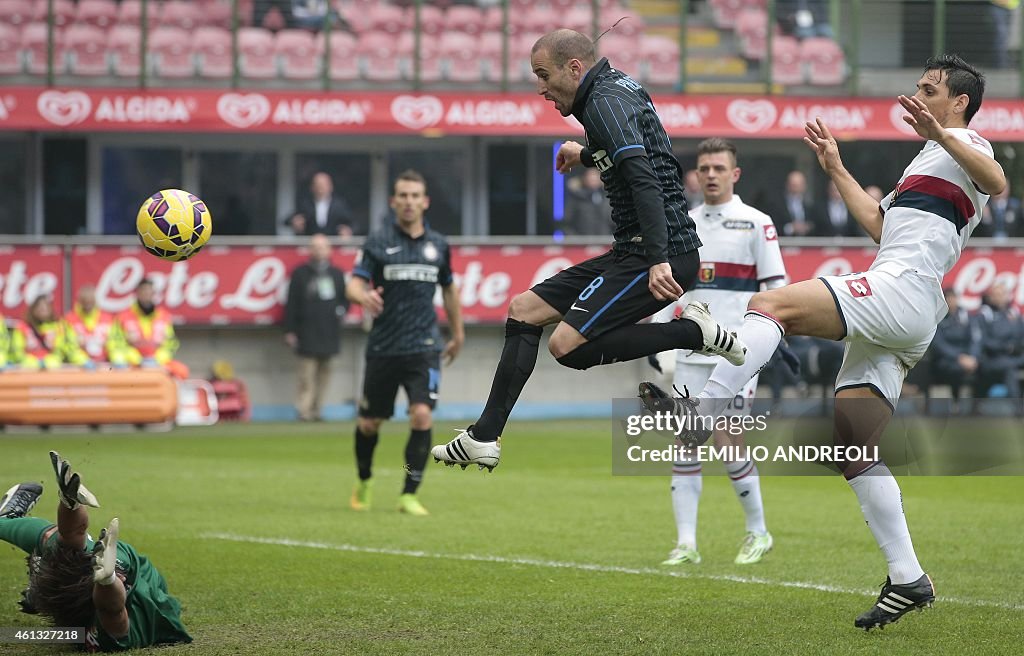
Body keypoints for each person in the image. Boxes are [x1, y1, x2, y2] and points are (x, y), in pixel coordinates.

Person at [641, 54, 1004, 629]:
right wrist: (835, 166)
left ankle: (702, 412)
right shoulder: (928, 160)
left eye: (929, 89)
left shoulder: (969, 143)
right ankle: (908, 578)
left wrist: (943, 134)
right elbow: (880, 226)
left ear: (958, 102)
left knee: (770, 304)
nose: (918, 95)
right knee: (851, 447)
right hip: (906, 304)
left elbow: (997, 181)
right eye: (917, 85)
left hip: (901, 289)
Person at [429, 28, 747, 472]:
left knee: (565, 346)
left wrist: (657, 258)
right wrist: (586, 153)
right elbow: (639, 149)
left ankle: (691, 334)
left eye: (544, 75)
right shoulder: (615, 89)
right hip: (633, 251)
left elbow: (646, 180)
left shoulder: (602, 103)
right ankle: (485, 436)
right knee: (524, 309)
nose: (540, 88)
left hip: (659, 253)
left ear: (574, 68)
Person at [651, 138, 787, 567]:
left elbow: (775, 289)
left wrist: (773, 340)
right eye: (704, 167)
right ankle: (686, 544)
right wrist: (659, 337)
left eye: (718, 168)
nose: (710, 174)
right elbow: (671, 291)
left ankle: (758, 532)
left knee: (729, 441)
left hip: (737, 355)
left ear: (735, 174)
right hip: (691, 353)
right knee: (687, 442)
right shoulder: (684, 224)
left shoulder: (756, 223)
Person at [345, 170, 464, 516]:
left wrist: (458, 333)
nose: (409, 201)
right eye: (403, 195)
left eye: (415, 195)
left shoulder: (438, 245)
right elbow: (352, 284)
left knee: (422, 415)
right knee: (369, 423)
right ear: (393, 202)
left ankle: (409, 492)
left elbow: (449, 290)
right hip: (383, 347)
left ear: (425, 201)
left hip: (424, 346)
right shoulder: (377, 243)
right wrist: (363, 297)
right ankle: (364, 480)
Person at [0, 452, 192, 651]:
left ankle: (6, 519)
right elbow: (113, 610)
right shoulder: (114, 629)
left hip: (79, 589)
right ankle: (39, 579)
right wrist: (107, 579)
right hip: (139, 577)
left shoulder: (79, 632)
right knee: (67, 544)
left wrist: (69, 504)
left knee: (58, 543)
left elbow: (73, 534)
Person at [284, 233, 349, 422]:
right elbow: (291, 303)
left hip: (329, 331)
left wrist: (341, 311)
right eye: (315, 247)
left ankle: (318, 410)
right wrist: (289, 330)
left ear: (329, 250)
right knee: (306, 375)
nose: (319, 250)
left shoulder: (337, 274)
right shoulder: (300, 273)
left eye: (323, 247)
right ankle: (304, 411)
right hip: (306, 331)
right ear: (310, 250)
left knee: (325, 374)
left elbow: (345, 300)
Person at [113, 279, 181, 373]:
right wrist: (137, 360)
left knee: (181, 371)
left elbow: (171, 344)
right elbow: (117, 343)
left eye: (149, 292)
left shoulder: (164, 316)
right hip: (132, 364)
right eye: (143, 292)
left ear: (153, 294)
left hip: (158, 364)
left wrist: (158, 359)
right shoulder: (123, 316)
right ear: (137, 293)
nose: (146, 295)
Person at [929, 287, 981, 408]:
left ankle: (977, 405)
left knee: (985, 366)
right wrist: (959, 357)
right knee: (956, 369)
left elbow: (976, 339)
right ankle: (956, 404)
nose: (952, 301)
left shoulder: (966, 317)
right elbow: (938, 344)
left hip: (968, 358)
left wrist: (973, 357)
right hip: (946, 360)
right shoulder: (938, 318)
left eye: (954, 298)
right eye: (949, 298)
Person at [973, 281, 1024, 401]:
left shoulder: (1014, 313)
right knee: (1009, 369)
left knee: (1011, 365)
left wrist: (1016, 347)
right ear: (991, 297)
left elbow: (1020, 336)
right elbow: (984, 341)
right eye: (996, 294)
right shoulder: (985, 314)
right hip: (992, 359)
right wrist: (1006, 347)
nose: (999, 297)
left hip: (1015, 357)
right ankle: (1018, 410)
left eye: (1002, 294)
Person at [10, 295, 90, 370]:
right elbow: (17, 351)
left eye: (45, 308)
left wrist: (83, 360)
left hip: (53, 369)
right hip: (29, 370)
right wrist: (31, 362)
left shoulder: (60, 327)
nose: (42, 311)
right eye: (39, 308)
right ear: (33, 310)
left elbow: (68, 349)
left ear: (50, 309)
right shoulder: (22, 327)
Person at [64, 285, 125, 367]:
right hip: (79, 366)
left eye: (90, 300)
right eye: (85, 300)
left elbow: (116, 341)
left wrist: (114, 356)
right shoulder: (69, 319)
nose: (88, 303)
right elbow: (67, 345)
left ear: (95, 300)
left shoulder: (108, 318)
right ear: (79, 301)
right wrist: (83, 360)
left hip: (105, 363)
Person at [286, 172, 357, 237]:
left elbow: (353, 223)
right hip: (310, 245)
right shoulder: (306, 204)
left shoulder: (339, 205)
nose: (320, 188)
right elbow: (287, 220)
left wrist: (348, 230)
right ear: (312, 187)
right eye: (317, 185)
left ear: (330, 187)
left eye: (323, 185)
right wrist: (294, 221)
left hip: (334, 245)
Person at [563, 167, 613, 235]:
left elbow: (615, 221)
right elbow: (566, 223)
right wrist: (575, 240)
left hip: (605, 242)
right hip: (582, 242)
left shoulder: (608, 197)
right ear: (584, 178)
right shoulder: (576, 198)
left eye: (595, 175)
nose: (593, 179)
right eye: (590, 176)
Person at [775, 170, 817, 237]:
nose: (796, 189)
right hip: (785, 243)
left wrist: (807, 227)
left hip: (805, 244)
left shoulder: (809, 206)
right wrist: (791, 228)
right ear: (787, 185)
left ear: (804, 186)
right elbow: (774, 227)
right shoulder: (777, 205)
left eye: (799, 185)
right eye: (793, 185)